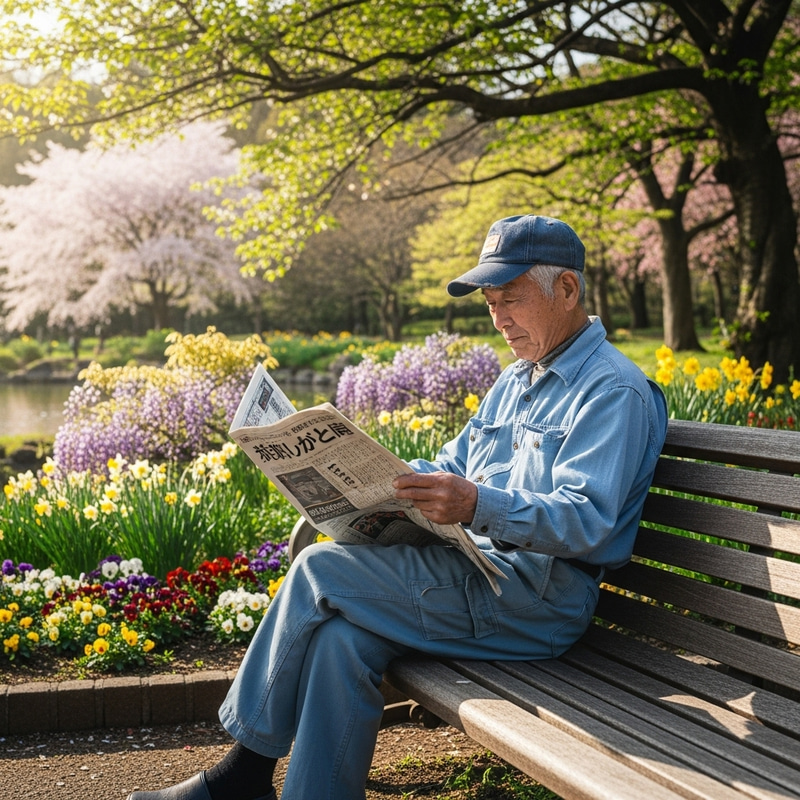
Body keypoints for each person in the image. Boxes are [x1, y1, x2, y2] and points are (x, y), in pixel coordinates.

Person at [127, 214, 668, 800]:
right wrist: (388, 487)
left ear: (567, 290)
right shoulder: (516, 379)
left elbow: (587, 522)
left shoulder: (613, 391)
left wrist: (477, 504)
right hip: (476, 576)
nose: (499, 318)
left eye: (511, 298)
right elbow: (455, 465)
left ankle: (241, 776)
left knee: (318, 569)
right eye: (490, 303)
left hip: (536, 599)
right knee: (341, 644)